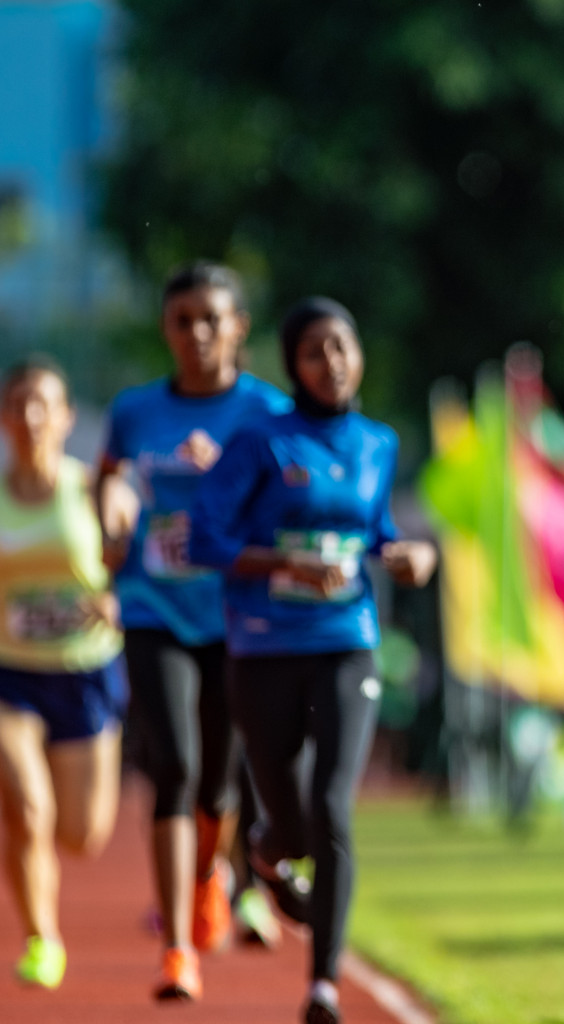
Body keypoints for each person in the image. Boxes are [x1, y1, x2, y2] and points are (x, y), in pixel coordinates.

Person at [189, 296, 437, 1024]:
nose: (332, 363)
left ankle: (322, 984)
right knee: (292, 824)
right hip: (263, 648)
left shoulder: (378, 443)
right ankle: (267, 852)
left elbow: (378, 532)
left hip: (346, 640)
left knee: (332, 806)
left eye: (342, 347)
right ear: (292, 364)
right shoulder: (260, 442)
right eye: (313, 351)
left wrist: (409, 554)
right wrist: (284, 568)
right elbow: (206, 542)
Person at [98, 261, 290, 1000]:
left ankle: (213, 870)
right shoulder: (136, 410)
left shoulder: (267, 413)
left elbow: (294, 508)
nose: (198, 334)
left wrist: (228, 480)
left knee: (218, 780)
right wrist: (112, 511)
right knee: (173, 768)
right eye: (183, 321)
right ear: (166, 330)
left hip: (236, 618)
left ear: (238, 327)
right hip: (153, 607)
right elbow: (111, 476)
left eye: (213, 319)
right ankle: (177, 947)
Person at [0, 358, 125, 990]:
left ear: (66, 417)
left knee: (82, 835)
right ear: (3, 418)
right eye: (18, 404)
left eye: (42, 403)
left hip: (85, 671)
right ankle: (41, 937)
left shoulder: (93, 491)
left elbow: (140, 567)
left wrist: (117, 600)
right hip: (9, 675)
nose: (30, 417)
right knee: (26, 806)